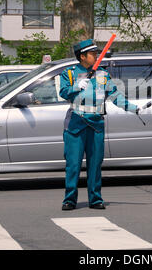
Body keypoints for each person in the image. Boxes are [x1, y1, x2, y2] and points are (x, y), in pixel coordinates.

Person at [59, 39, 139, 210]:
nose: (96, 57)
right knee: (73, 165)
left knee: (95, 165)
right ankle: (69, 199)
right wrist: (75, 87)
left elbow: (115, 96)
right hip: (76, 124)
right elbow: (63, 93)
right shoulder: (70, 73)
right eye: (93, 54)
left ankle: (95, 199)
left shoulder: (103, 74)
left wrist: (133, 108)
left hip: (96, 124)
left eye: (97, 54)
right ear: (82, 56)